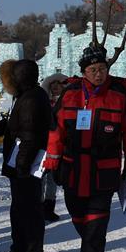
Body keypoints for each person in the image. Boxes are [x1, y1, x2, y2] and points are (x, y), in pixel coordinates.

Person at [43, 45, 126, 252]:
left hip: (104, 170)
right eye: (93, 69)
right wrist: (52, 162)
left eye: (102, 69)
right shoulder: (70, 94)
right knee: (79, 218)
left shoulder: (120, 95)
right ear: (83, 72)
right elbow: (56, 131)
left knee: (96, 222)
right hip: (72, 168)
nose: (99, 74)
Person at [0, 59, 50, 252]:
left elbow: (30, 136)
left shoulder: (31, 98)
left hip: (27, 166)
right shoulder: (25, 96)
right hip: (21, 164)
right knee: (19, 211)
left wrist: (21, 166)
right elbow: (13, 123)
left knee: (29, 211)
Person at [39, 73, 68, 222]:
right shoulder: (43, 102)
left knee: (53, 179)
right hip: (43, 145)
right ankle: (38, 207)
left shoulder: (66, 103)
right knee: (41, 177)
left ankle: (49, 207)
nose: (56, 88)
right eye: (53, 85)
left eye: (59, 85)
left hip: (59, 146)